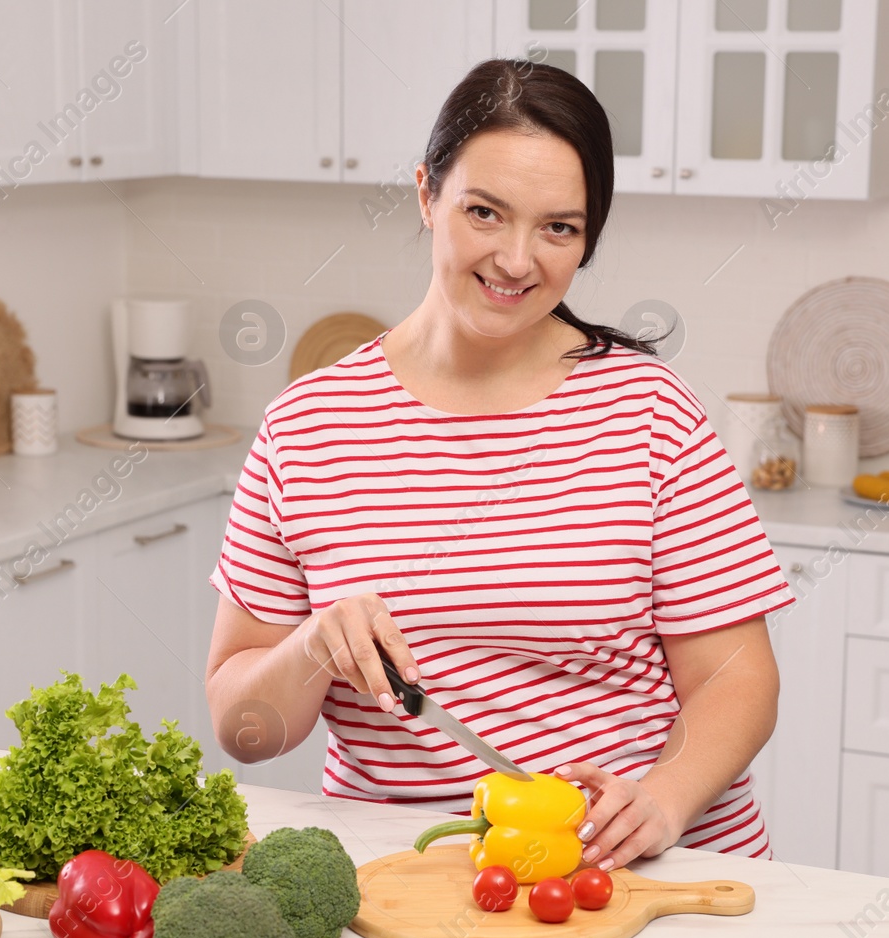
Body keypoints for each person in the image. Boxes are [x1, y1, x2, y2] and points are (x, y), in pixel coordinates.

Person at [205, 58, 794, 871]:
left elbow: (740, 679)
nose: (518, 261)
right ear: (426, 194)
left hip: (636, 870)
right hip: (410, 878)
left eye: (560, 227)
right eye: (486, 212)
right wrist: (311, 645)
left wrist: (663, 798)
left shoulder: (648, 413)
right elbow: (245, 730)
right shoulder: (309, 425)